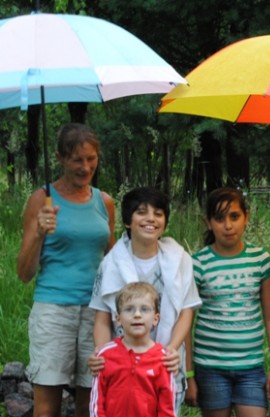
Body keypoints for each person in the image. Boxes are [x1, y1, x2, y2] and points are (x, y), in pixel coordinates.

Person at [17, 123, 115, 417]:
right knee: (48, 404)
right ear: (60, 158)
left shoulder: (105, 202)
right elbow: (24, 272)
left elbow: (112, 258)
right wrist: (38, 232)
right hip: (53, 310)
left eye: (91, 158)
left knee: (92, 400)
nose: (86, 167)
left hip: (96, 312)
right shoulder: (41, 199)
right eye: (77, 159)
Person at [89, 186, 201, 416]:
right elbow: (102, 318)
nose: (151, 218)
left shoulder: (180, 259)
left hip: (164, 362)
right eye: (141, 212)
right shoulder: (111, 263)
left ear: (165, 223)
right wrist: (101, 354)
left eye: (158, 213)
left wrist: (169, 350)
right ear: (128, 221)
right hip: (122, 365)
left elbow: (186, 312)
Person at [185, 187, 270, 417]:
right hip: (210, 368)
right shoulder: (197, 264)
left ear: (246, 217)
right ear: (208, 222)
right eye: (219, 218)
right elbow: (185, 324)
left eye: (234, 216)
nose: (228, 226)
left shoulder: (260, 260)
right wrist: (189, 374)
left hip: (251, 368)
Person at [90, 282, 175, 417]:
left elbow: (167, 408)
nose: (137, 315)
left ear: (156, 318)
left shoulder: (163, 359)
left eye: (144, 309)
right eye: (129, 309)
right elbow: (97, 400)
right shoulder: (105, 355)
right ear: (118, 318)